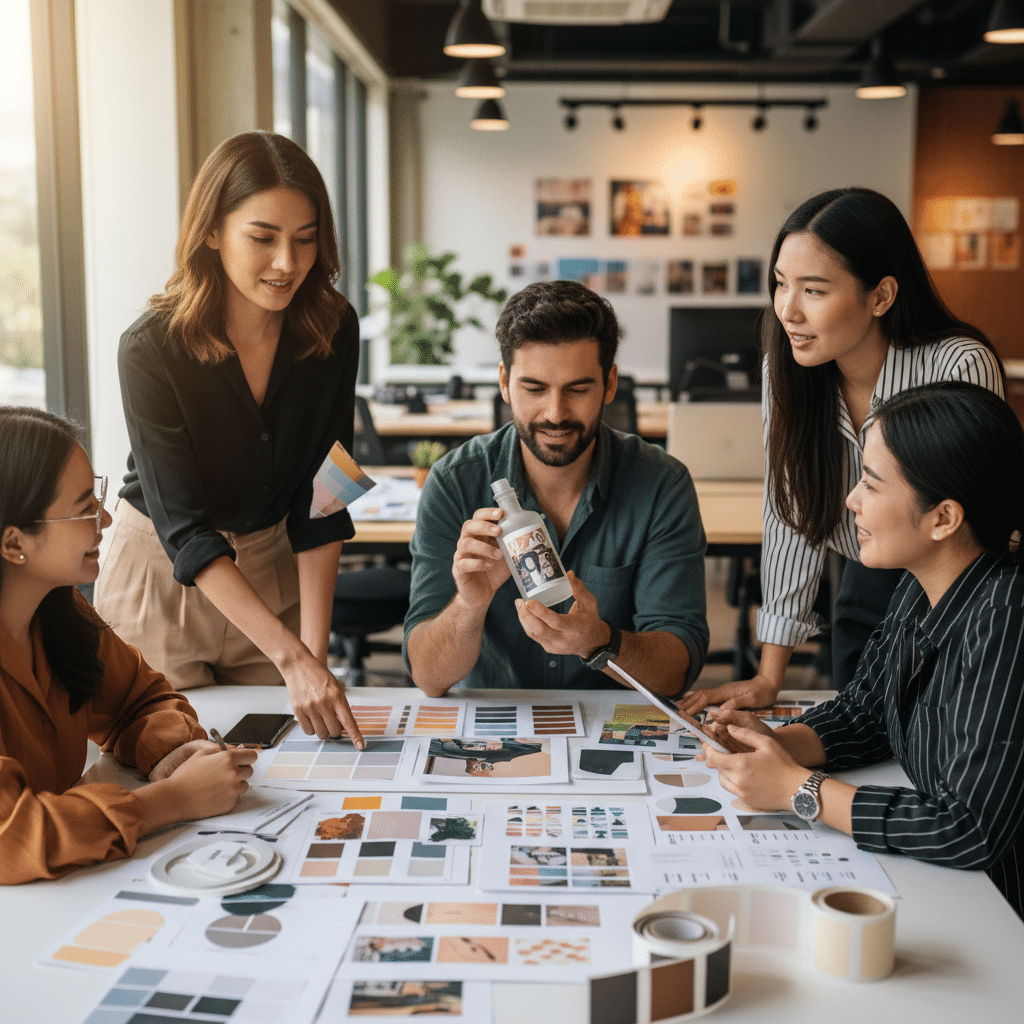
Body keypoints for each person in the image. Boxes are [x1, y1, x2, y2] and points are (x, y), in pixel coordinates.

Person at [700, 382, 1024, 920]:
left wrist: (799, 790)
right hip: (944, 887)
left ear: (943, 518)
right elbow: (869, 709)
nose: (851, 499)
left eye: (871, 484)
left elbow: (969, 827)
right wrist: (779, 746)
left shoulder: (1006, 615)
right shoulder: (923, 581)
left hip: (998, 912)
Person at [680, 186, 1003, 716]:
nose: (788, 310)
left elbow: (978, 529)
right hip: (867, 585)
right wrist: (768, 676)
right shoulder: (784, 370)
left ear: (881, 295)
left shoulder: (956, 367)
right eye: (781, 284)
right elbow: (791, 513)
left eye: (814, 290)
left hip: (960, 596)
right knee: (860, 741)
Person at [94, 131, 362, 745]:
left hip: (273, 570)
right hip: (158, 580)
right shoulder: (150, 346)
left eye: (305, 238)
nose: (287, 264)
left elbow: (330, 487)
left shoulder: (333, 326)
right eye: (263, 238)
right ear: (211, 232)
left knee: (290, 768)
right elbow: (185, 527)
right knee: (163, 770)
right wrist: (292, 661)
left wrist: (312, 653)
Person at [404, 280, 708, 697]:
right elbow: (427, 675)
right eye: (534, 388)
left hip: (613, 727)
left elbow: (677, 670)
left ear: (611, 384)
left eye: (578, 389)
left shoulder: (661, 485)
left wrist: (599, 641)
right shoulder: (454, 481)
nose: (555, 413)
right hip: (495, 724)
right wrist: (470, 605)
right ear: (505, 383)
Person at [0, 407, 256, 885]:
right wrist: (173, 800)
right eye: (83, 507)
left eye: (98, 494)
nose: (107, 516)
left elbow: (139, 699)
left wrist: (168, 751)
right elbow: (11, 837)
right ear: (15, 542)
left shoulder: (59, 611)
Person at [427, 738, 544, 776]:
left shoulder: (481, 755)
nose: (478, 768)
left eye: (475, 767)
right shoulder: (493, 759)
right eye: (476, 769)